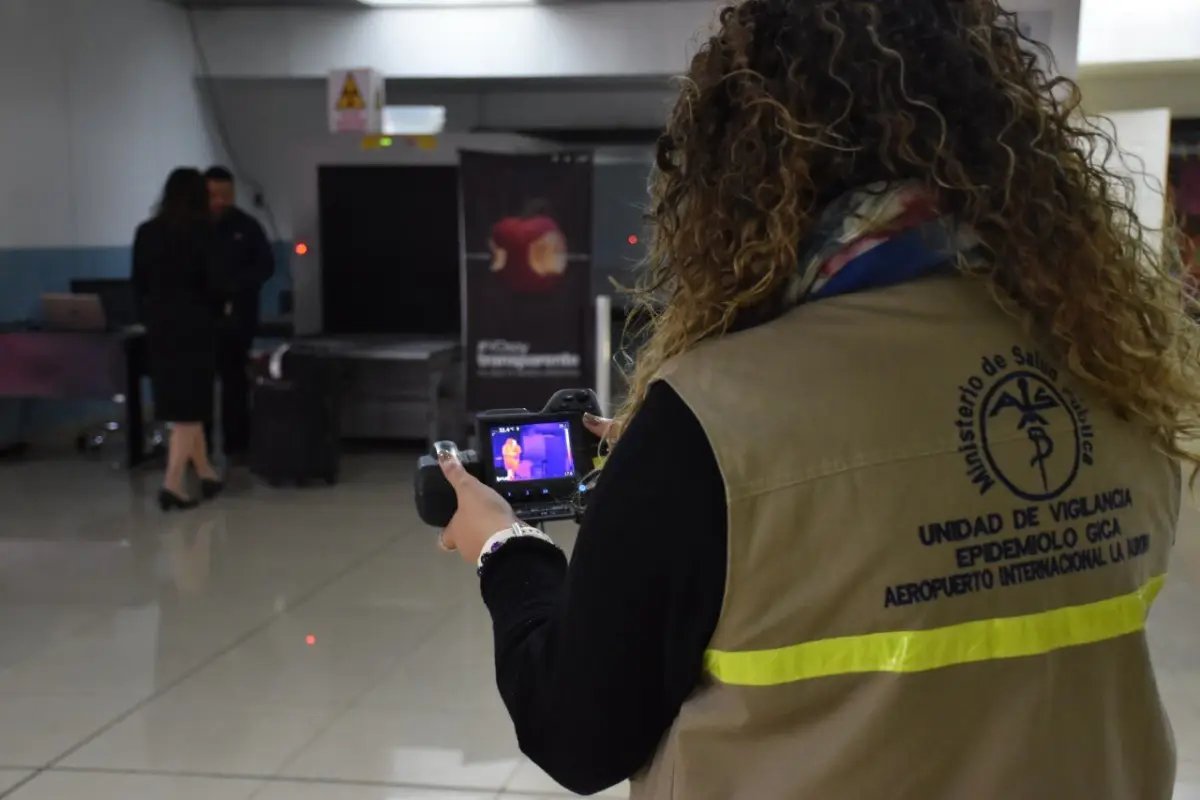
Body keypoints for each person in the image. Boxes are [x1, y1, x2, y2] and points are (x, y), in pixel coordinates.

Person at [433, 1, 1200, 798]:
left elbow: (577, 731)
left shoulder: (712, 423)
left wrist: (504, 546)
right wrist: (691, 485)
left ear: (741, 175)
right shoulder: (1115, 373)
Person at [133, 168, 226, 511]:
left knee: (180, 401)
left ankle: (206, 474)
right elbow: (215, 284)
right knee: (191, 407)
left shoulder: (146, 233)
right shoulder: (204, 233)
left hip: (159, 325)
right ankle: (172, 483)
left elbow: (138, 283)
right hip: (195, 326)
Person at [204, 166, 274, 459]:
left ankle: (238, 446)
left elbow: (265, 266)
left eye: (226, 194)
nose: (220, 201)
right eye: (214, 195)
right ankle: (200, 446)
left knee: (235, 384)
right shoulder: (195, 227)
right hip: (204, 320)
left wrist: (239, 286)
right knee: (201, 387)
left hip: (238, 318)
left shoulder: (246, 227)